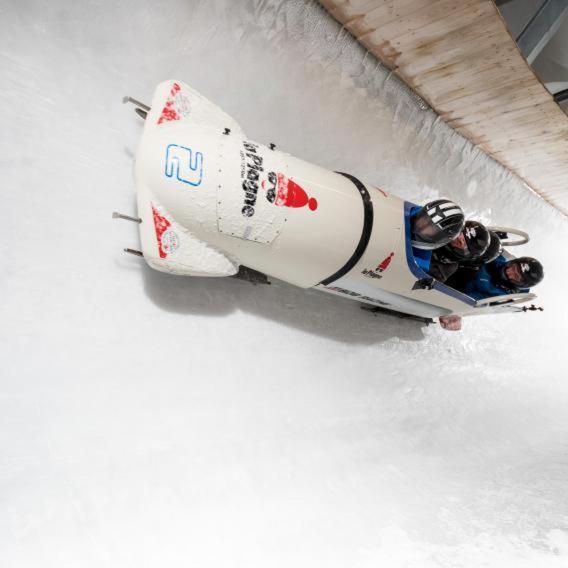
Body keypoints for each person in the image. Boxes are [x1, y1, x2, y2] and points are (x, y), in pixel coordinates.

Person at [464, 256, 544, 301]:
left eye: (516, 276)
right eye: (513, 267)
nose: (509, 272)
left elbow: (470, 300)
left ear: (521, 284)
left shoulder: (500, 296)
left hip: (458, 286)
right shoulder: (498, 259)